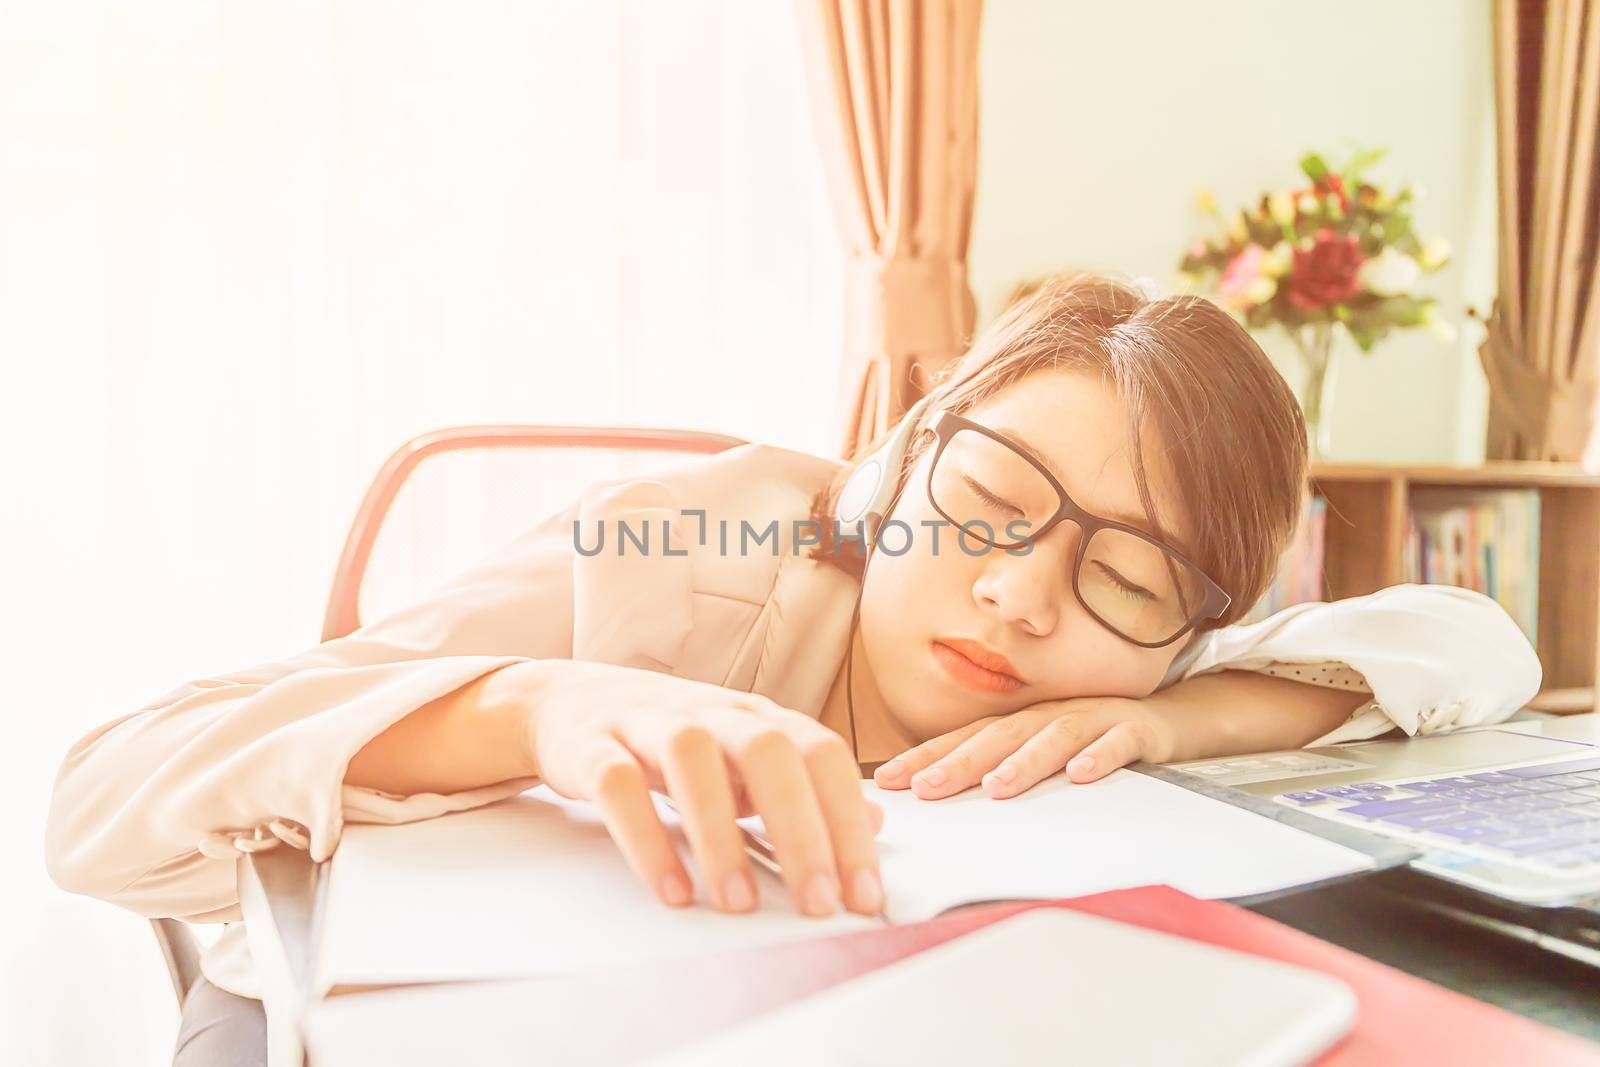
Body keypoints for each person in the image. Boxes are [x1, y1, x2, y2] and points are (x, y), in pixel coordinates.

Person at [46, 274, 1540, 1064]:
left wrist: (1175, 717)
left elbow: (1474, 640)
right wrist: (537, 705)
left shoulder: (1145, 681)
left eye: (1130, 577)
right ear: (894, 461)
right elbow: (103, 799)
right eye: (987, 508)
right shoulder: (677, 546)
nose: (1023, 598)